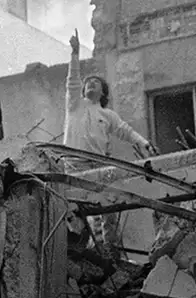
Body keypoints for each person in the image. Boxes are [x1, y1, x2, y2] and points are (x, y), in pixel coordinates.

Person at [63, 29, 154, 260]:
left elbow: (126, 131)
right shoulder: (75, 105)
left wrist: (143, 143)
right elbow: (72, 81)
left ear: (103, 92)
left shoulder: (108, 115)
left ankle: (111, 255)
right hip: (73, 166)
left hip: (99, 165)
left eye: (96, 82)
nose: (90, 84)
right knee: (76, 211)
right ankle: (83, 255)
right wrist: (74, 54)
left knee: (107, 211)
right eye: (88, 83)